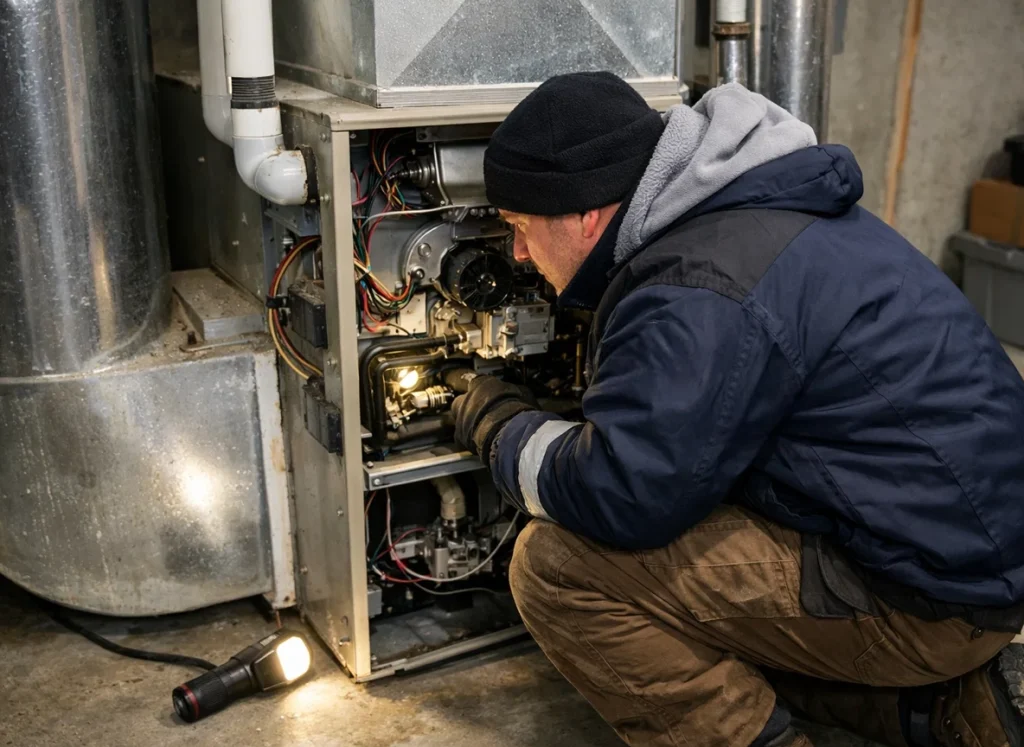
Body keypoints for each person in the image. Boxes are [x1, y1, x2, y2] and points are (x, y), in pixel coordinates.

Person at [450, 71, 1024, 747]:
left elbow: (623, 491)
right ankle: (941, 712)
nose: (516, 252)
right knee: (700, 568)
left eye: (520, 227)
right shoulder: (748, 206)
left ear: (584, 213)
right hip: (972, 555)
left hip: (932, 595)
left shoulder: (698, 287)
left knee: (559, 569)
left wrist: (500, 428)